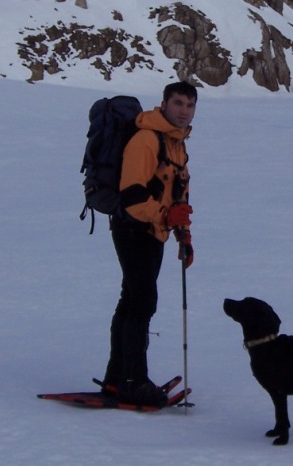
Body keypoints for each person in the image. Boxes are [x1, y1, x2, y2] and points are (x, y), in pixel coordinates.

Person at [101, 81, 197, 406]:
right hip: (133, 229)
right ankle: (132, 382)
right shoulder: (146, 140)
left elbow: (178, 196)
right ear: (165, 104)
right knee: (141, 302)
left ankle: (118, 378)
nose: (184, 110)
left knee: (132, 301)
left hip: (153, 231)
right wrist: (167, 217)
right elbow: (132, 195)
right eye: (179, 103)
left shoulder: (177, 144)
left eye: (190, 105)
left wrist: (184, 235)